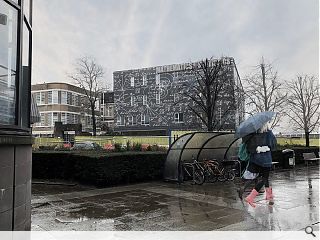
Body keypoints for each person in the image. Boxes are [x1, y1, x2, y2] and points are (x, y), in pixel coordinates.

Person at [240, 123, 277, 207]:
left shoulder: (252, 134)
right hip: (265, 160)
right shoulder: (268, 133)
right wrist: (265, 148)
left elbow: (249, 147)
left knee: (264, 177)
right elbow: (273, 145)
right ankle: (250, 197)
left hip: (255, 160)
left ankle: (269, 195)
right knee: (264, 178)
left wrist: (258, 149)